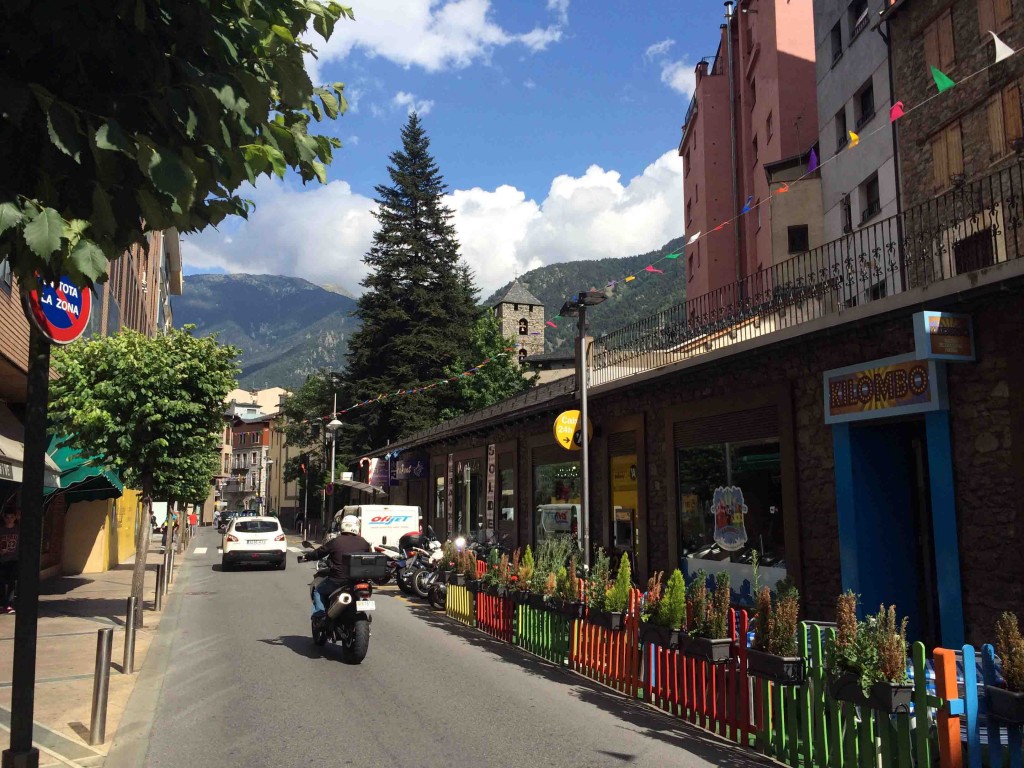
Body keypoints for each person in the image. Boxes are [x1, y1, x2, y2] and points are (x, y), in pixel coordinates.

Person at [298, 515, 370, 620]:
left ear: (343, 526)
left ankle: (320, 614)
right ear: (357, 527)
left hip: (338, 580)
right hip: (358, 581)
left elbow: (320, 552)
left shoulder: (336, 541)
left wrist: (307, 556)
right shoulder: (364, 542)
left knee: (318, 591)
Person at [0, 509, 19, 614]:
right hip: (2, 560)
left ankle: (9, 604)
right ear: (4, 517)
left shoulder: (18, 530)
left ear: (15, 518)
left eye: (11, 517)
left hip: (14, 560)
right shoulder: (1, 530)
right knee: (1, 583)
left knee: (12, 583)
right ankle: (2, 604)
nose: (9, 519)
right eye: (7, 517)